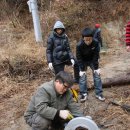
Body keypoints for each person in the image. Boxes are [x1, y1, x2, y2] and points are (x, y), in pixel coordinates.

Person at [76, 28, 105, 102]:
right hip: (83, 61)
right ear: (83, 38)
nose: (88, 41)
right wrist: (82, 69)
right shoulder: (79, 45)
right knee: (82, 77)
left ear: (92, 38)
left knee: (97, 75)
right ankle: (83, 93)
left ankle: (99, 93)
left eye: (90, 39)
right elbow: (79, 58)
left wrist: (96, 67)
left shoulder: (96, 43)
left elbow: (96, 55)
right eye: (86, 39)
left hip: (92, 60)